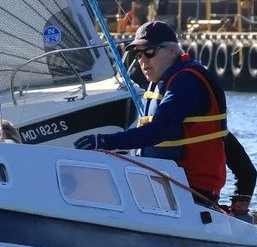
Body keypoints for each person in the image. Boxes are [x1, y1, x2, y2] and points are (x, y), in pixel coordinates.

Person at [81, 21, 241, 206]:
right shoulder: (162, 81)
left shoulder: (187, 82)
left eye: (150, 52)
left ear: (172, 51)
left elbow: (160, 130)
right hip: (161, 186)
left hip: (187, 193)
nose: (143, 60)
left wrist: (106, 142)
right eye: (138, 54)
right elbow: (221, 138)